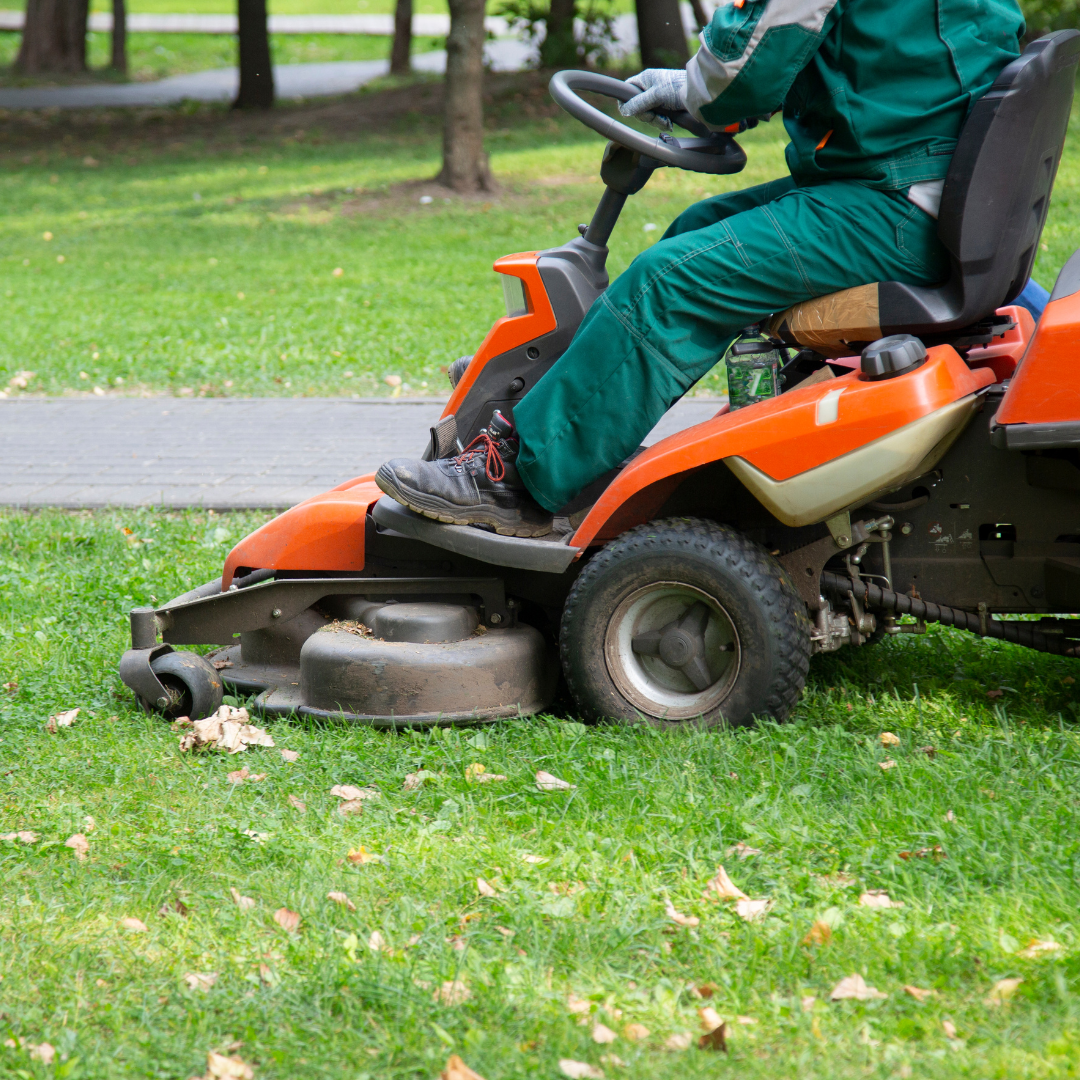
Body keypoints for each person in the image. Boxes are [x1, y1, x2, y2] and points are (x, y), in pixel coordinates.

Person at [376, 0, 1026, 538]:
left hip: (898, 204)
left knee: (670, 280)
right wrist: (702, 91)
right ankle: (580, 449)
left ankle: (516, 479)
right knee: (696, 233)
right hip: (928, 186)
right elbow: (848, 55)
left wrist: (697, 88)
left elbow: (758, 50)